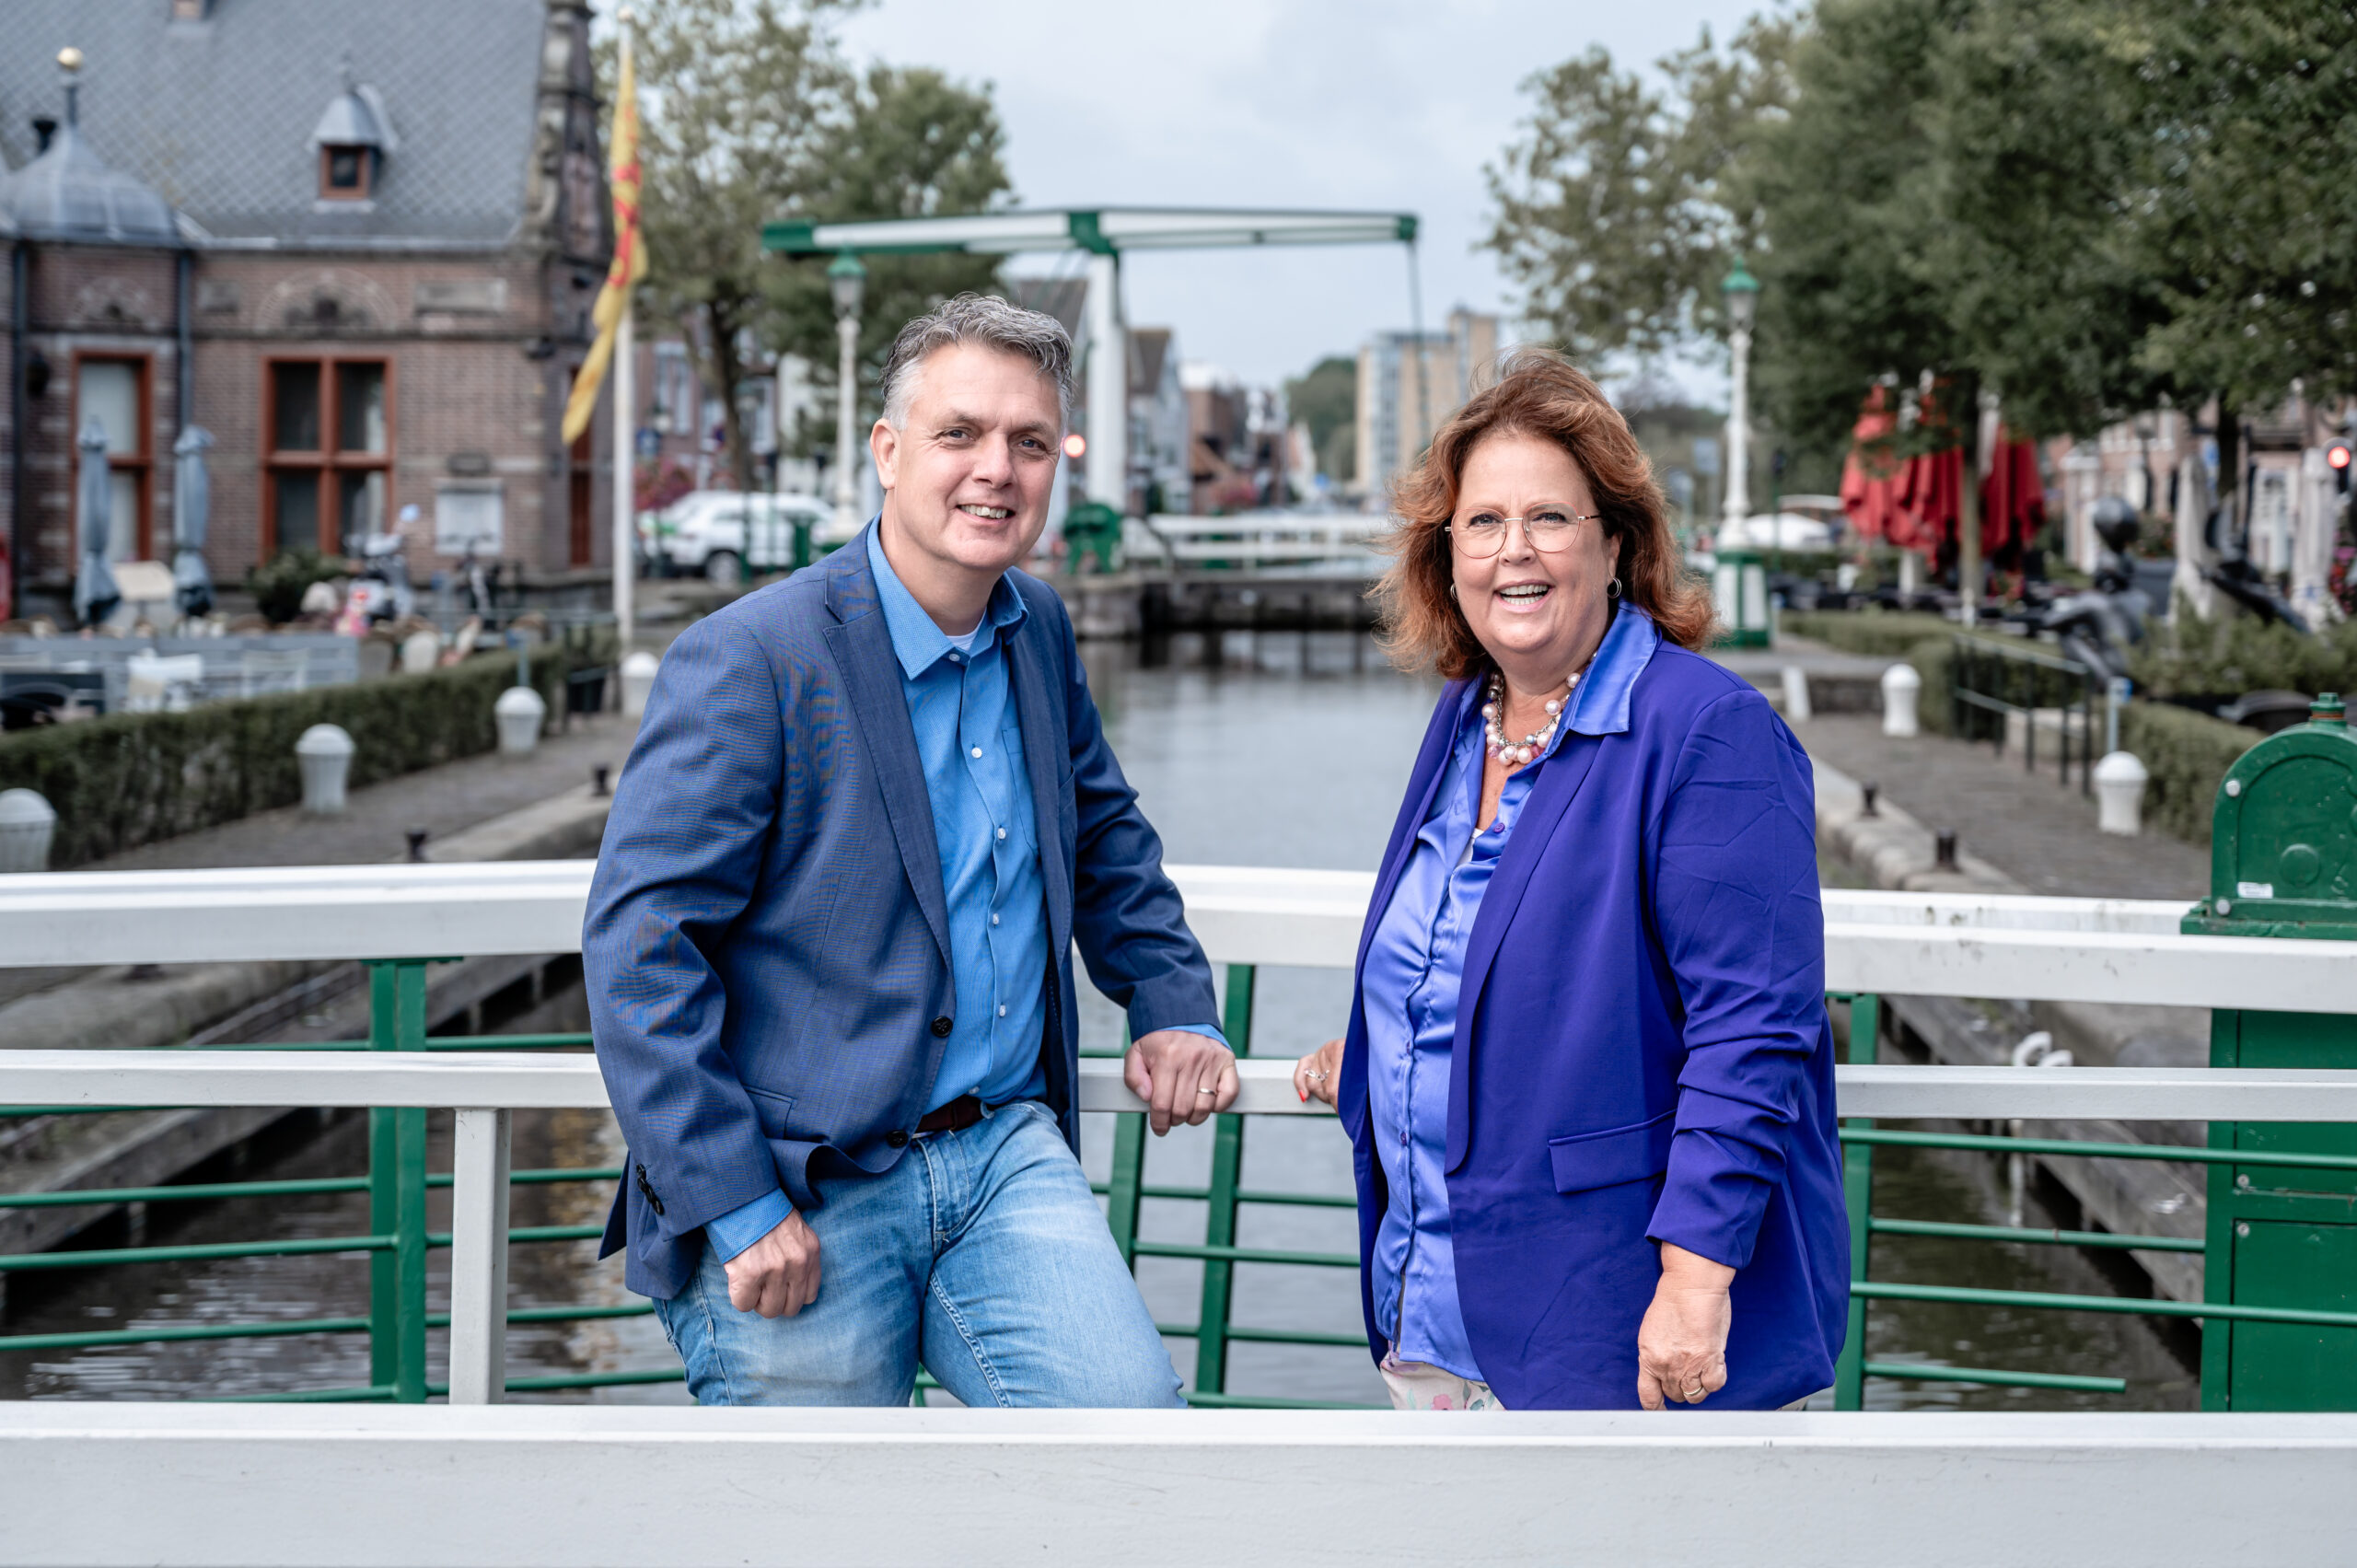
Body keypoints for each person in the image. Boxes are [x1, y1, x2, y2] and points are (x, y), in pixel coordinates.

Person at [584, 294, 1237, 1407]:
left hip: (1000, 1153)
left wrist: (1172, 998)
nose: (998, 468)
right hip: (803, 1182)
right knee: (822, 1528)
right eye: (959, 434)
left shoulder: (1036, 627)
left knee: (1136, 1459)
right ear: (887, 452)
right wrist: (738, 1201)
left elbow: (1106, 835)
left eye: (1030, 442)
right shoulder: (751, 657)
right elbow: (640, 947)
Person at [1292, 348, 1847, 1411]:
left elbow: (1753, 1027)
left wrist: (1693, 1281)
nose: (1514, 551)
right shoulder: (1468, 718)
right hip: (1435, 1319)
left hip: (1615, 1331)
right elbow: (1491, 952)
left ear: (1614, 542)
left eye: (1549, 518)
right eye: (1482, 522)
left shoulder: (1706, 731)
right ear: (1442, 550)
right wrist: (1384, 1040)